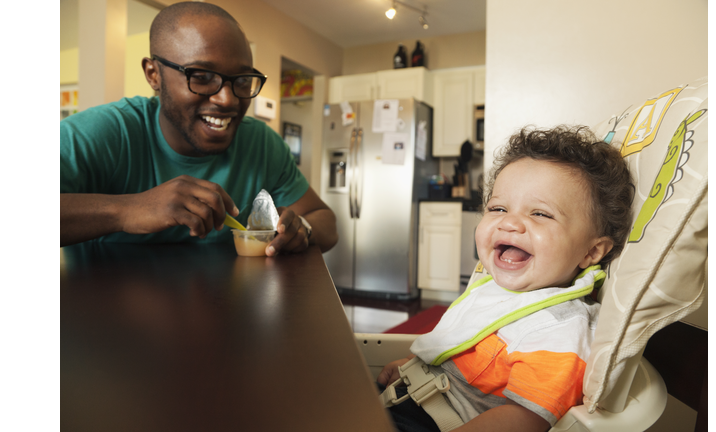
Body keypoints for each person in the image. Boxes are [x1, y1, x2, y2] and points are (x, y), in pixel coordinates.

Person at [377, 125, 634, 432]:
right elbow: (461, 346)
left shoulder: (561, 329)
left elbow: (522, 418)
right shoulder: (493, 288)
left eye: (540, 213)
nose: (509, 222)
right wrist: (414, 368)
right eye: (498, 208)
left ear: (591, 251)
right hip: (412, 396)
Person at [60, 2, 337, 256]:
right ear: (153, 74)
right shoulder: (105, 131)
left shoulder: (261, 143)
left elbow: (325, 222)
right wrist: (126, 210)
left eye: (242, 80)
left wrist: (302, 229)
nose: (227, 100)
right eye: (202, 77)